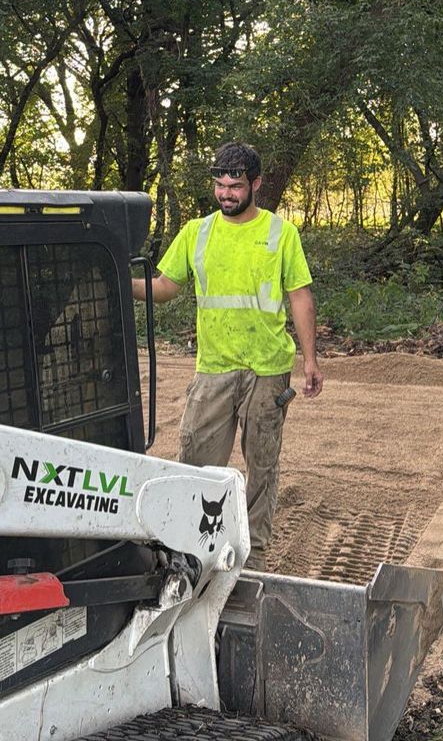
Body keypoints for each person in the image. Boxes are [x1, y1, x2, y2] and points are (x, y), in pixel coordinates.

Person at [132, 141, 323, 569]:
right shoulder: (197, 232)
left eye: (235, 186)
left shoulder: (280, 233)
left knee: (262, 463)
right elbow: (164, 288)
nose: (225, 194)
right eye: (219, 185)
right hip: (214, 368)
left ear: (255, 184)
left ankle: (253, 553)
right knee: (196, 460)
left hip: (268, 369)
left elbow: (300, 297)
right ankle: (191, 546)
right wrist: (119, 281)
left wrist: (310, 360)